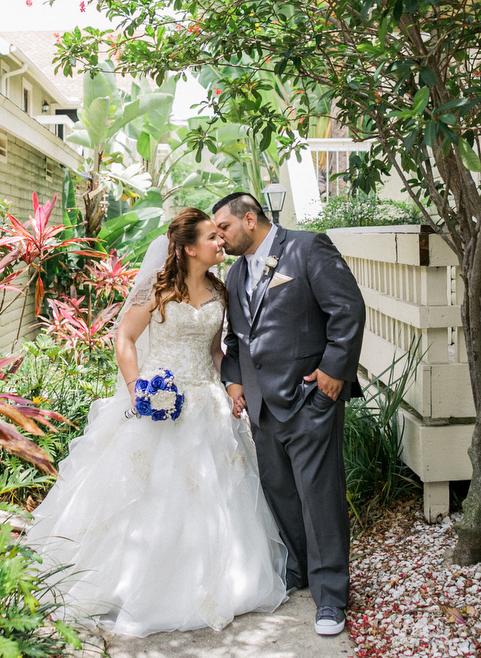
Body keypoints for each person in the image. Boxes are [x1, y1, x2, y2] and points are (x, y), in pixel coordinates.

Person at [26, 207, 288, 637]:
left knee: (216, 495)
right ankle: (134, 583)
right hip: (160, 402)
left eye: (219, 236)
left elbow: (216, 352)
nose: (220, 242)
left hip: (208, 404)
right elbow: (124, 338)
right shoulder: (159, 290)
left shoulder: (222, 291)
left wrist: (232, 385)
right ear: (188, 248)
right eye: (211, 237)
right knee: (150, 494)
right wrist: (137, 389)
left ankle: (219, 581)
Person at [212, 192, 366, 637]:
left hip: (309, 401)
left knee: (320, 499)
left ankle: (332, 597)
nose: (219, 237)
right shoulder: (236, 273)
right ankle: (298, 572)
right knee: (281, 495)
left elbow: (347, 309)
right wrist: (234, 380)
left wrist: (333, 374)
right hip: (261, 408)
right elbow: (239, 340)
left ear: (248, 218)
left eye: (223, 228)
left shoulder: (307, 247)